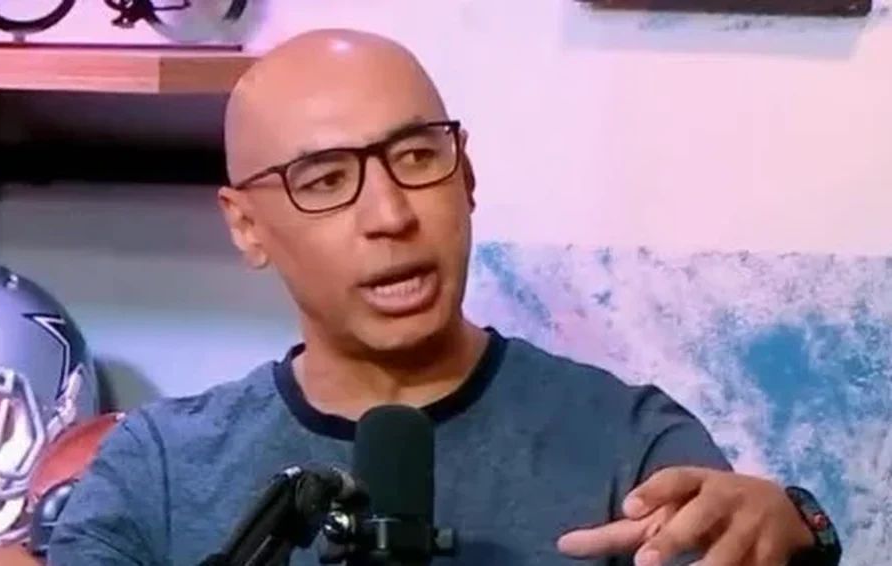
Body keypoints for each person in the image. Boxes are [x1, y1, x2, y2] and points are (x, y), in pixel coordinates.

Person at [46, 29, 838, 566]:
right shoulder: (159, 470)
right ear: (247, 227)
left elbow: (747, 535)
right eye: (325, 180)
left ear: (466, 175)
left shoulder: (629, 447)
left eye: (418, 157)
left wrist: (798, 528)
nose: (390, 215)